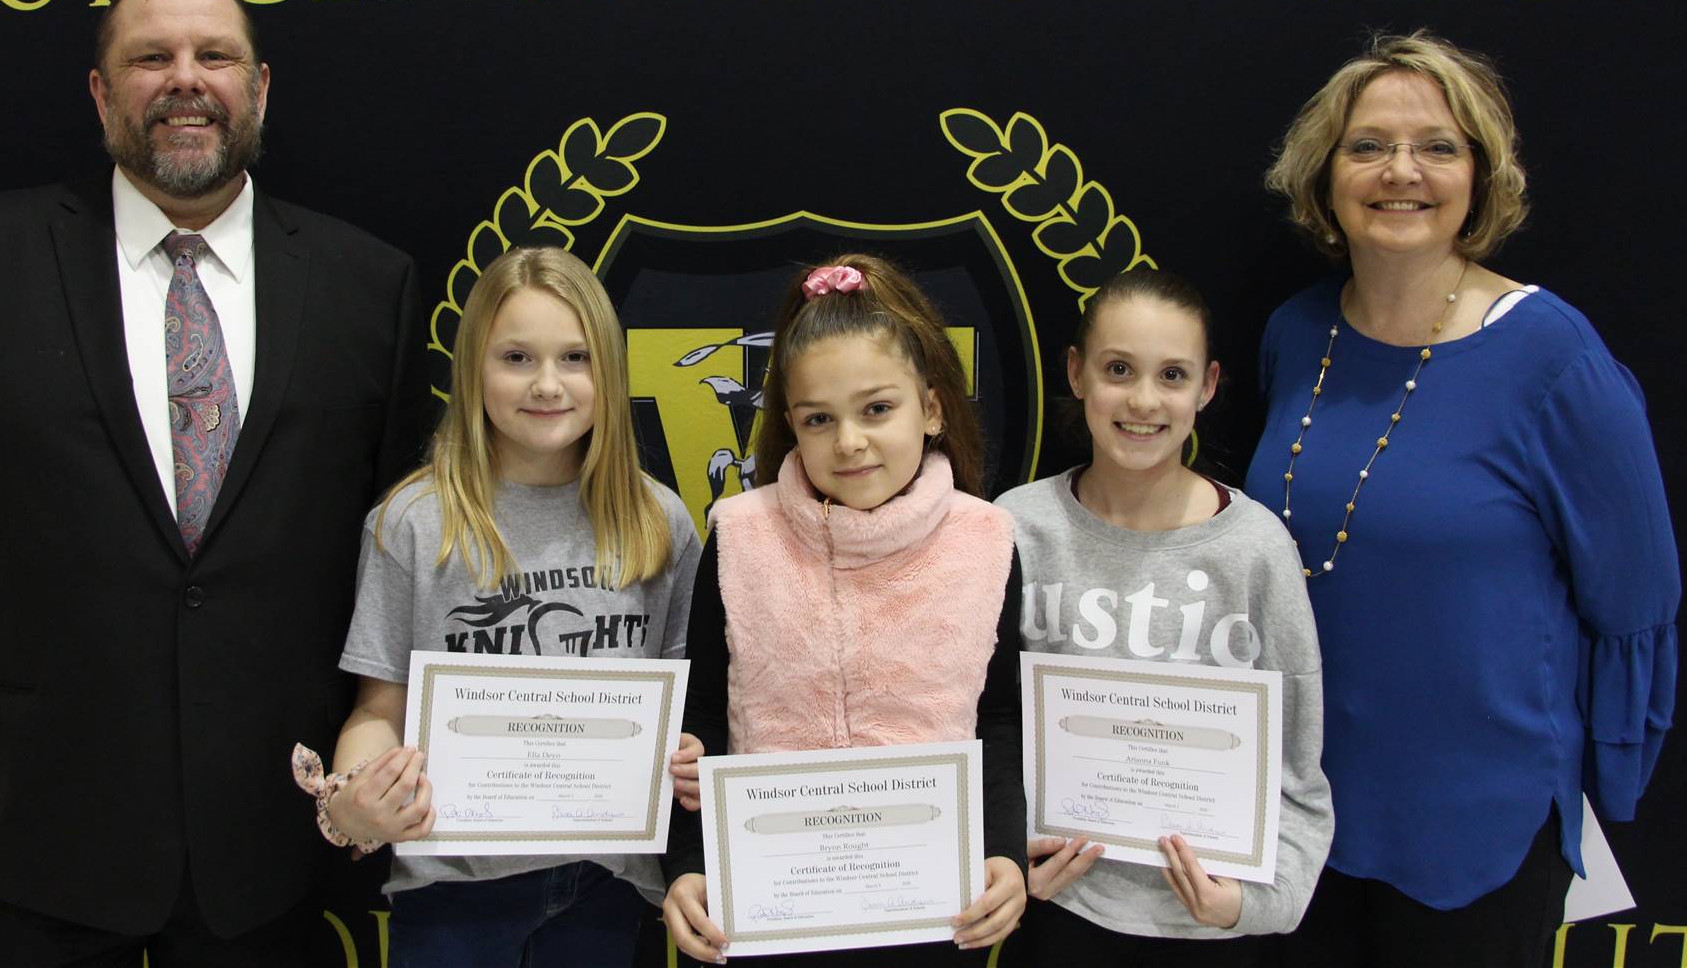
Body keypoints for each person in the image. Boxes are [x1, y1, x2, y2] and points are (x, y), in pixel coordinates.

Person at [0, 0, 429, 965]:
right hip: (33, 819)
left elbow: (396, 550)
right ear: (101, 91)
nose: (185, 79)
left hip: (271, 830)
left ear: (260, 86)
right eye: (151, 57)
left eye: (216, 55)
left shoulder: (366, 285)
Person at [1245, 31, 1678, 968]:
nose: (1402, 171)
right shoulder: (1296, 333)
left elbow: (1635, 601)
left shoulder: (1554, 357)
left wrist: (1608, 778)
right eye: (1368, 146)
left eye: (1438, 147)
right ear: (1325, 177)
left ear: (1481, 177)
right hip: (1298, 813)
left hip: (1477, 827)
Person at [294, 246, 703, 967]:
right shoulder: (415, 522)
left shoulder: (658, 522)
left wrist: (690, 760)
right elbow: (377, 712)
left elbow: (676, 715)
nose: (548, 384)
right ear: (472, 369)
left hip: (606, 888)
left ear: (609, 369)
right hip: (452, 889)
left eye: (575, 358)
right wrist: (353, 798)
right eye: (516, 358)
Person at [662, 254, 1029, 966]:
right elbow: (701, 717)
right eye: (819, 419)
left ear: (931, 407)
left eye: (877, 409)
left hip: (930, 914)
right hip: (764, 912)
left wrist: (1004, 853)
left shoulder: (986, 540)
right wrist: (685, 865)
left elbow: (1000, 718)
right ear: (789, 425)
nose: (850, 441)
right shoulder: (738, 536)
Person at [997, 269, 1332, 967]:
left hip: (1207, 924)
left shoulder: (1256, 548)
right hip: (1061, 912)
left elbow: (1298, 772)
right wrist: (1004, 862)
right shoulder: (1013, 528)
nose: (1144, 400)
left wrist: (1250, 905)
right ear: (1076, 372)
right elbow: (976, 729)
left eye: (1172, 375)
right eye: (1119, 369)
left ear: (1208, 387)